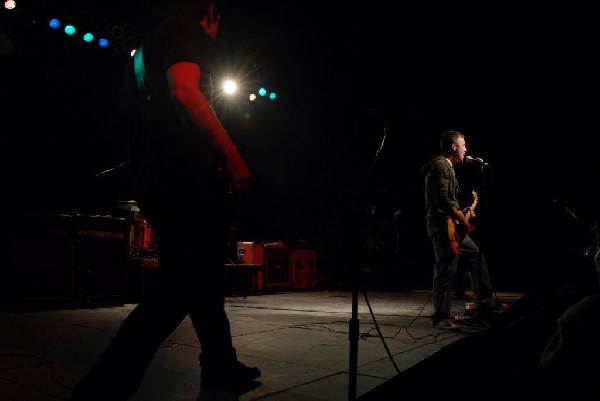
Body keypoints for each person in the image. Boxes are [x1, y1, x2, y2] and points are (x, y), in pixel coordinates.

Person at [69, 1, 260, 399]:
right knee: (176, 290)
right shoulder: (183, 31)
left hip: (158, 177)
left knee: (204, 280)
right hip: (181, 182)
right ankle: (100, 389)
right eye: (219, 21)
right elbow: (187, 93)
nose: (217, 31)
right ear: (210, 10)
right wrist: (233, 156)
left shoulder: (148, 46)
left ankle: (221, 366)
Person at [421, 130, 493, 329]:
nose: (466, 149)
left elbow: (447, 201)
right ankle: (440, 317)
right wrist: (461, 216)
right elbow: (442, 199)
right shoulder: (441, 164)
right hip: (443, 227)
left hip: (452, 226)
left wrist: (464, 212)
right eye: (463, 144)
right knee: (446, 270)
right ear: (454, 146)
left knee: (476, 259)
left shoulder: (446, 166)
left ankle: (484, 306)